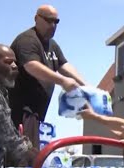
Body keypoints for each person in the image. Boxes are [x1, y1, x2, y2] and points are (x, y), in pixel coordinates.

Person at [8, 4, 87, 153]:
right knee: (24, 157)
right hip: (21, 111)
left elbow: (63, 65)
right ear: (36, 18)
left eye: (56, 22)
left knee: (33, 154)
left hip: (37, 112)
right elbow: (32, 66)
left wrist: (85, 85)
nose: (52, 25)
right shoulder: (27, 40)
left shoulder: (52, 44)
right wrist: (62, 81)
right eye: (48, 20)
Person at [0, 44, 38, 168]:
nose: (14, 66)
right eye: (7, 62)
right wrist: (36, 157)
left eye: (15, 62)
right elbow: (7, 137)